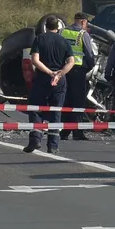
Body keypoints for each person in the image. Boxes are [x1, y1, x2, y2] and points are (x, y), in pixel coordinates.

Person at [24, 15, 74, 154]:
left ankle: (36, 138)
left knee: (35, 108)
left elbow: (35, 60)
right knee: (56, 111)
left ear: (45, 26)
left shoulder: (39, 39)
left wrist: (48, 72)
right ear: (58, 28)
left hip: (42, 78)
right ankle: (53, 145)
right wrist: (59, 73)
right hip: (59, 81)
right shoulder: (64, 41)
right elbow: (71, 61)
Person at [59, 13, 97, 140]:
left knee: (66, 100)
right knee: (78, 102)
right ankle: (77, 132)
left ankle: (64, 131)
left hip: (64, 70)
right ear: (82, 22)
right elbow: (89, 53)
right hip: (78, 71)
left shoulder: (63, 32)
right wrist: (91, 66)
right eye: (86, 22)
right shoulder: (82, 34)